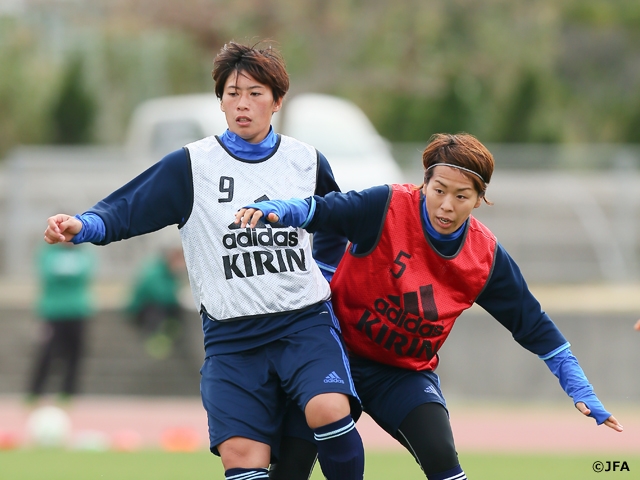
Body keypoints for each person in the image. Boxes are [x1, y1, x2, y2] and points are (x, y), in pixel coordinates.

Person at [43, 41, 364, 480]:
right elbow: (129, 209)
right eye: (232, 94)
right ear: (220, 101)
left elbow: (334, 222)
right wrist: (83, 226)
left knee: (329, 409)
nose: (242, 104)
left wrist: (322, 274)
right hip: (232, 340)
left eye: (255, 93)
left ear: (277, 101)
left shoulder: (306, 160)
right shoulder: (192, 165)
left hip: (301, 323)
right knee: (240, 455)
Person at [236, 132, 623, 480]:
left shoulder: (484, 258)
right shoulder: (386, 206)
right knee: (289, 467)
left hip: (401, 376)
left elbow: (534, 326)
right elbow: (324, 211)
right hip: (334, 354)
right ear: (425, 183)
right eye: (439, 190)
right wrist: (279, 210)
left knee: (442, 457)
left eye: (462, 196)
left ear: (480, 198)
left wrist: (581, 389)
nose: (446, 206)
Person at [26, 242, 96, 404]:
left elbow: (84, 274)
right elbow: (48, 274)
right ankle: (35, 391)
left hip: (78, 311)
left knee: (75, 354)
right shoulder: (48, 253)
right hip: (53, 312)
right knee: (47, 353)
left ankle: (68, 393)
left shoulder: (84, 254)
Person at [126, 246, 186, 359]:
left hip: (156, 307)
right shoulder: (155, 272)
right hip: (143, 309)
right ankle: (157, 343)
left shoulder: (167, 273)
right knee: (157, 314)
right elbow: (159, 295)